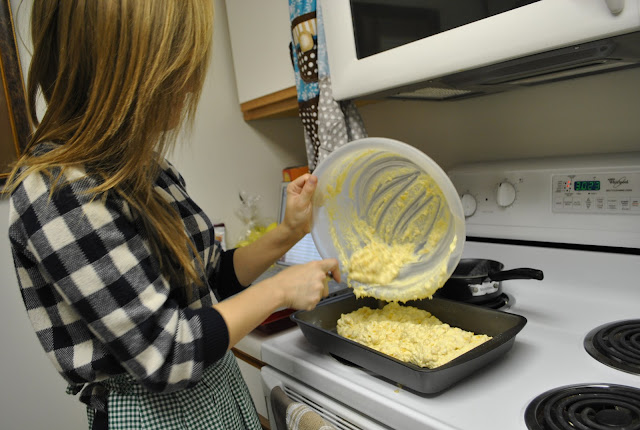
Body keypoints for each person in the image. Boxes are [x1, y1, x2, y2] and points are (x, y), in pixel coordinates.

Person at [5, 1, 340, 429]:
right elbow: (168, 353)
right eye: (177, 66)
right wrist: (279, 290)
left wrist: (289, 232)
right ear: (120, 67)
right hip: (154, 415)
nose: (187, 86)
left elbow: (209, 277)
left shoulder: (144, 166)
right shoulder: (55, 190)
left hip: (215, 390)